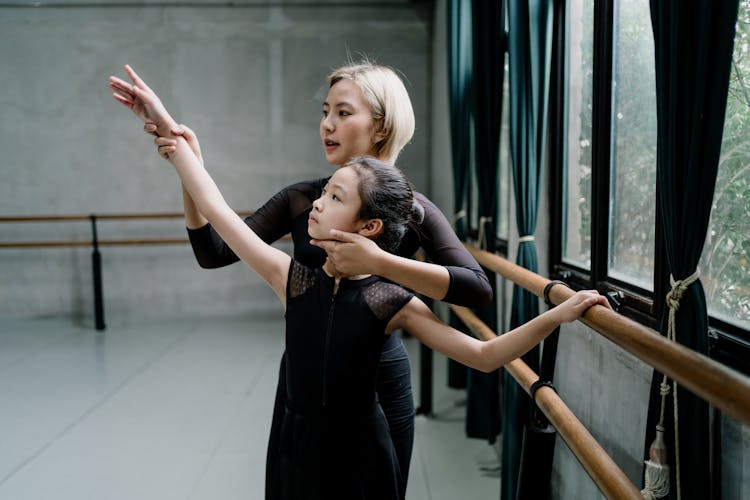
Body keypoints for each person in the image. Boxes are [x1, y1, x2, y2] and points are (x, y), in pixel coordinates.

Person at [110, 65, 611, 500]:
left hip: (375, 390)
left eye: (343, 112)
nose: (327, 124)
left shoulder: (407, 227)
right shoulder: (303, 217)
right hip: (307, 389)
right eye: (325, 110)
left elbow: (476, 294)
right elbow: (216, 241)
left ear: (380, 125)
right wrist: (183, 153)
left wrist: (379, 263)